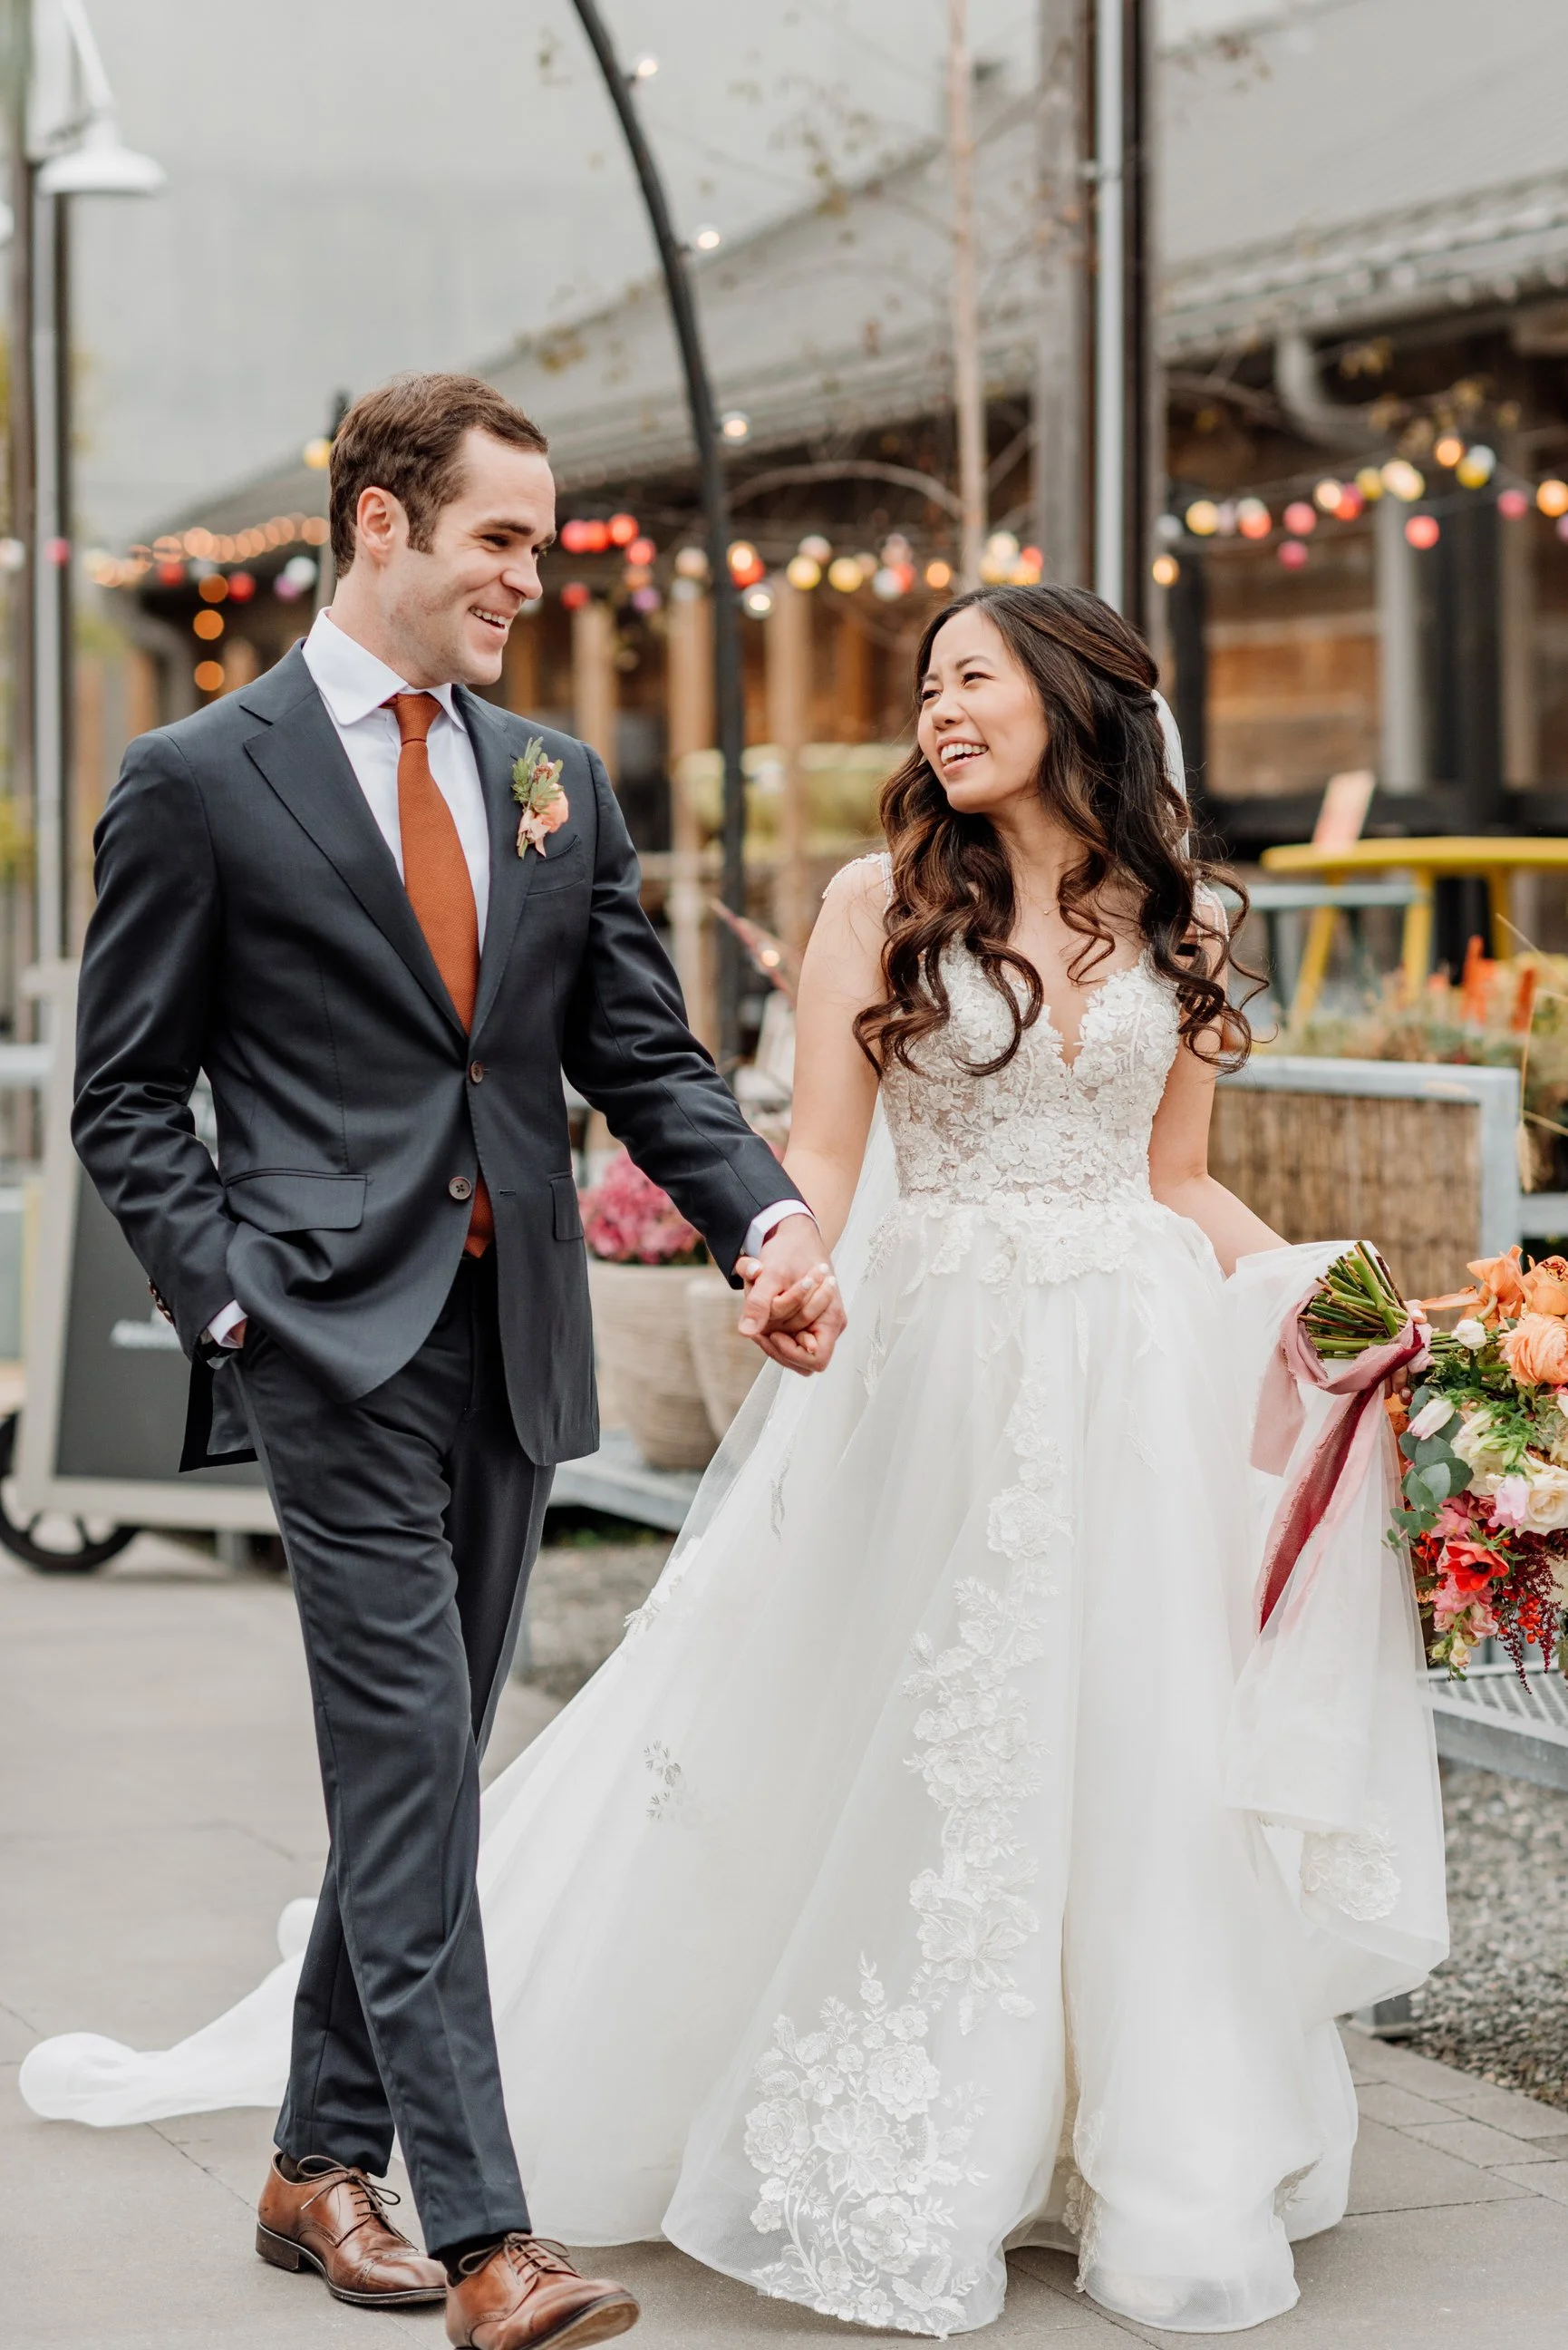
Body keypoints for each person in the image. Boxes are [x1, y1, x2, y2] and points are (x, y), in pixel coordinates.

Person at [27, 582, 1446, 2335]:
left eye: (971, 679)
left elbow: (1179, 1183)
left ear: (1076, 698)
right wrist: (784, 1258)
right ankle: (779, 2138)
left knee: (1130, 1747)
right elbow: (826, 1163)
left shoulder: (1177, 915)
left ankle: (1113, 2128)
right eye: (924, 684)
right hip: (929, 1367)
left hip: (1128, 1371)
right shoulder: (881, 906)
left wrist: (1358, 1311)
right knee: (910, 1739)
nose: (936, 709)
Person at [62, 372, 844, 2350]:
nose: (532, 571)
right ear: (382, 525)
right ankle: (492, 2238)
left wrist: (764, 1219)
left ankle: (314, 2158)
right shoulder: (196, 778)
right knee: (417, 1758)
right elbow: (130, 1094)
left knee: (418, 1783)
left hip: (514, 1342)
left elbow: (637, 1053)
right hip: (325, 1345)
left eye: (539, 536)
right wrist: (232, 1297)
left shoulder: (551, 775)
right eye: (499, 536)